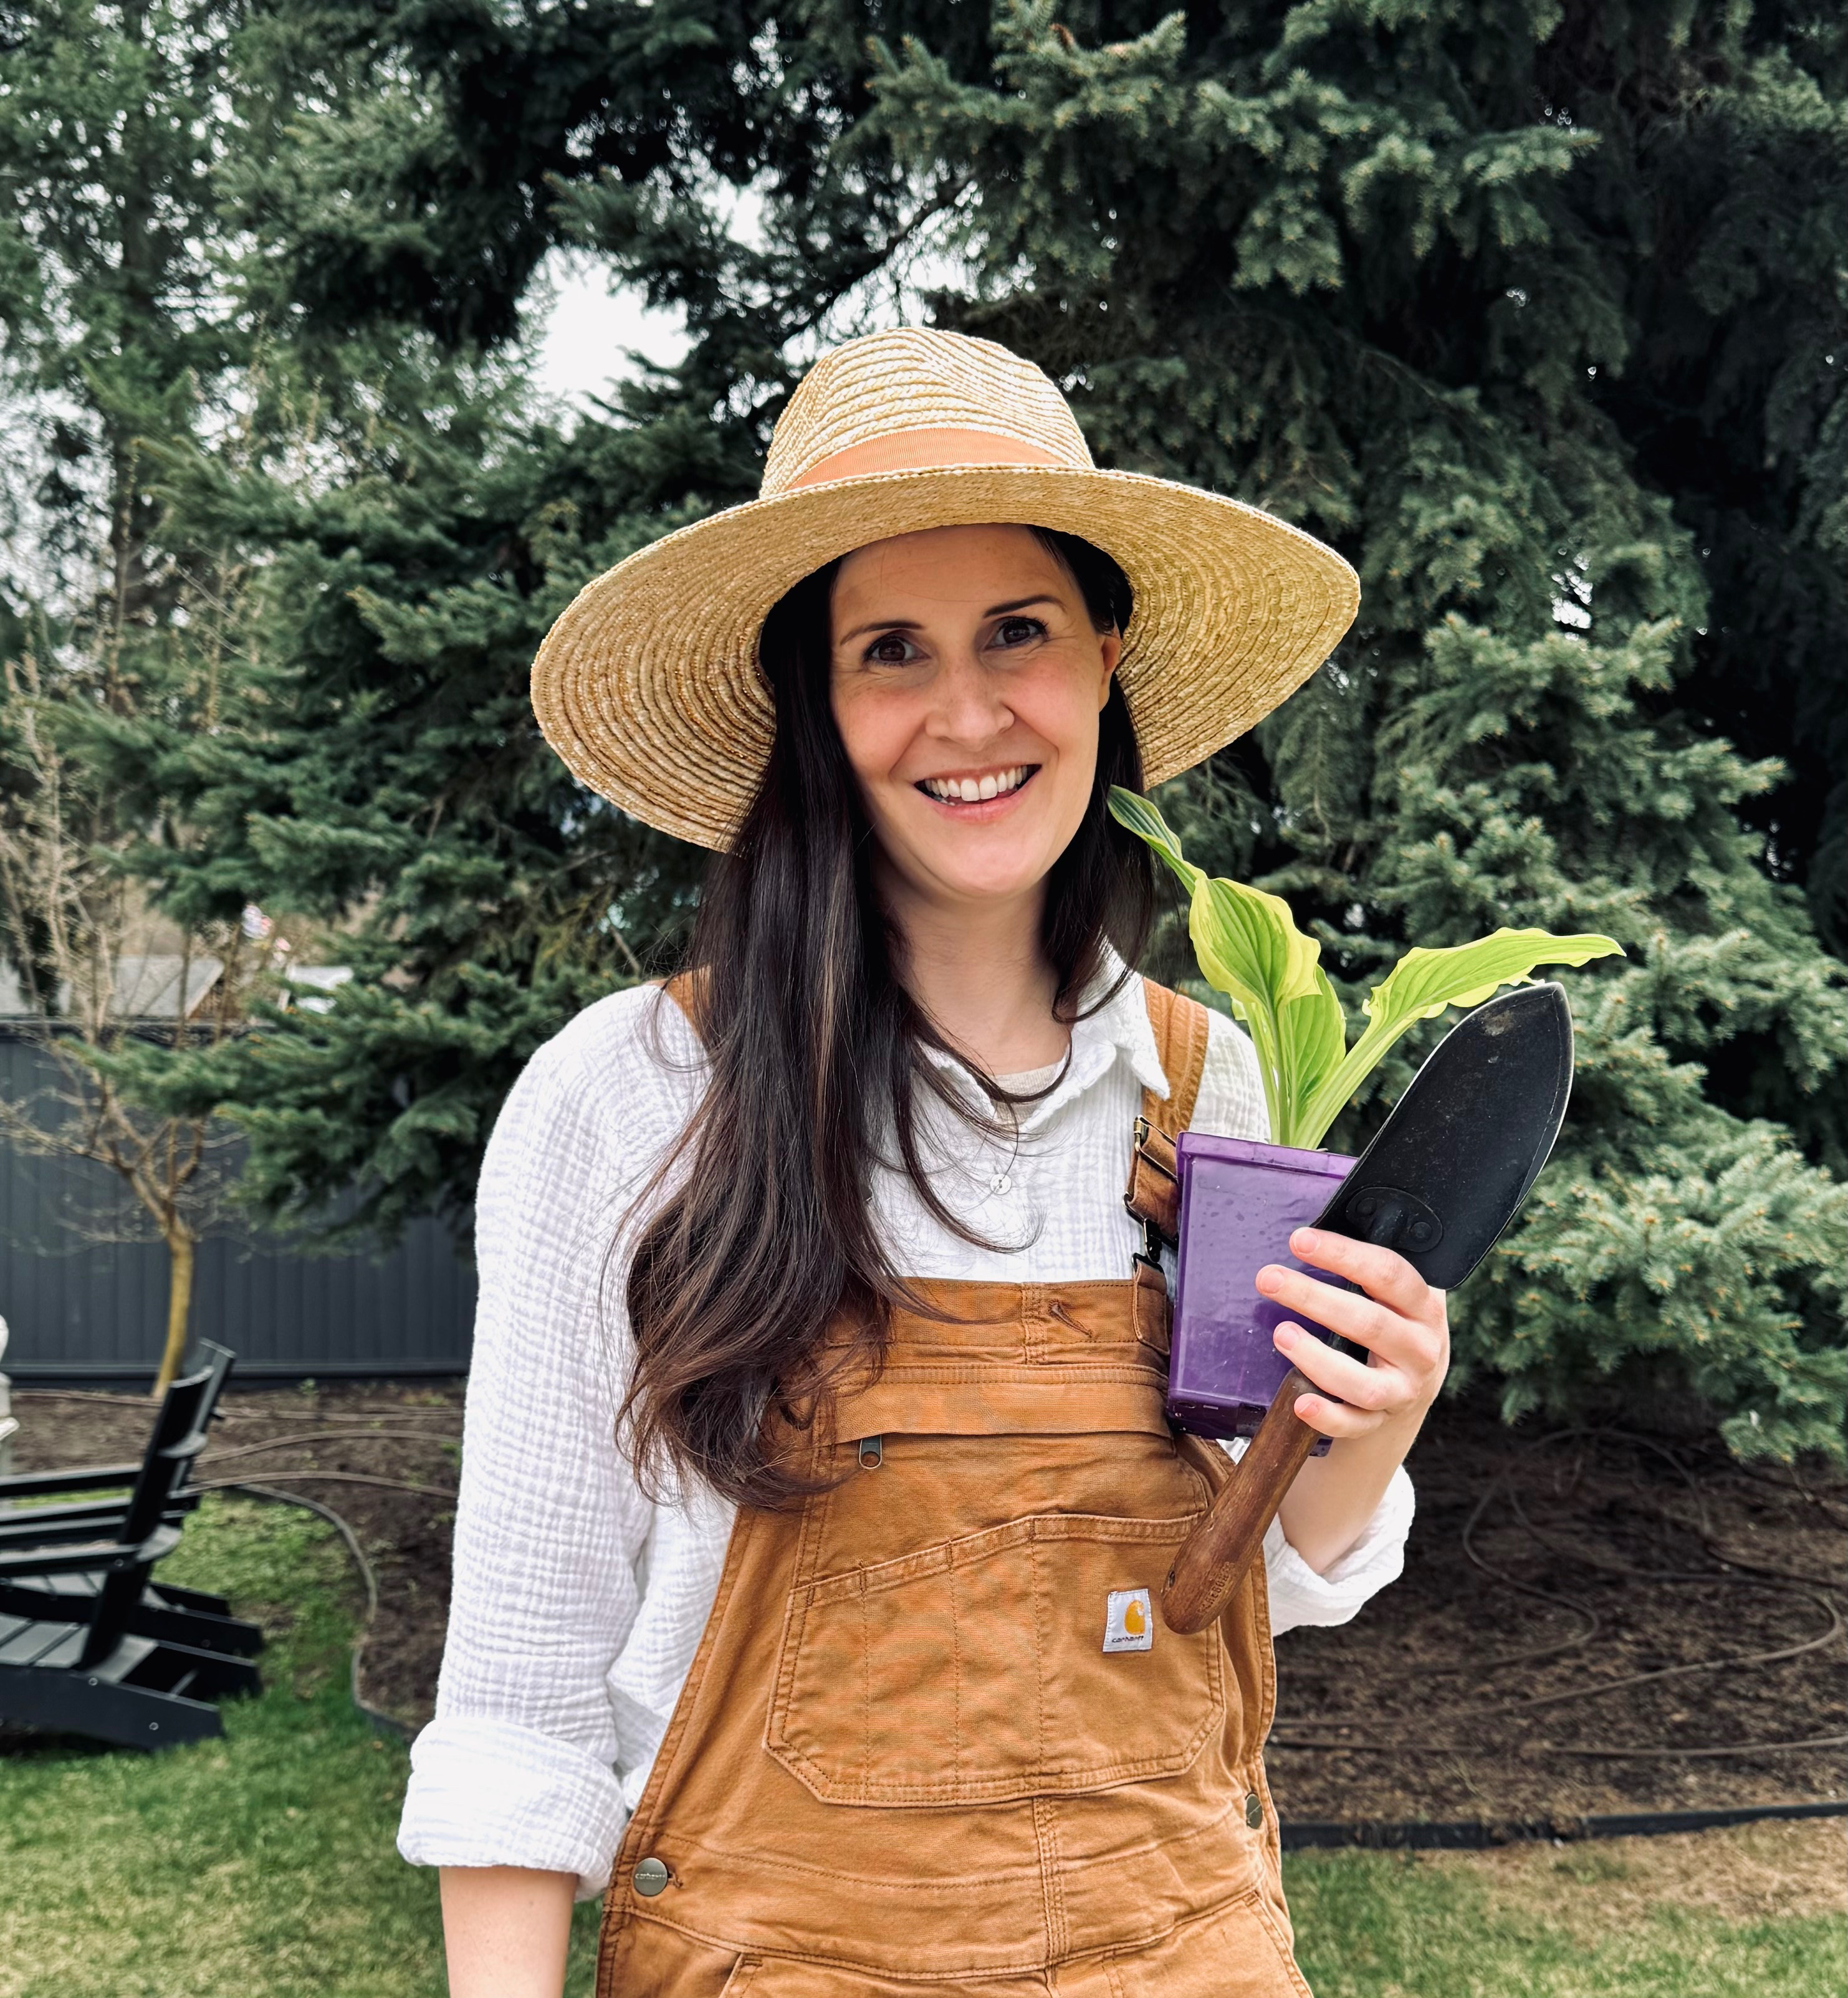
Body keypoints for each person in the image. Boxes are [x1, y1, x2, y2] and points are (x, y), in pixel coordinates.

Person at [396, 328, 1450, 1996]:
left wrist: (1374, 1408)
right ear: (816, 707)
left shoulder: (1202, 1085)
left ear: (1105, 661)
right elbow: (521, 1702)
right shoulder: (630, 1096)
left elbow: (1251, 1587)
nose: (969, 712)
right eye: (893, 650)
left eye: (1019, 633)